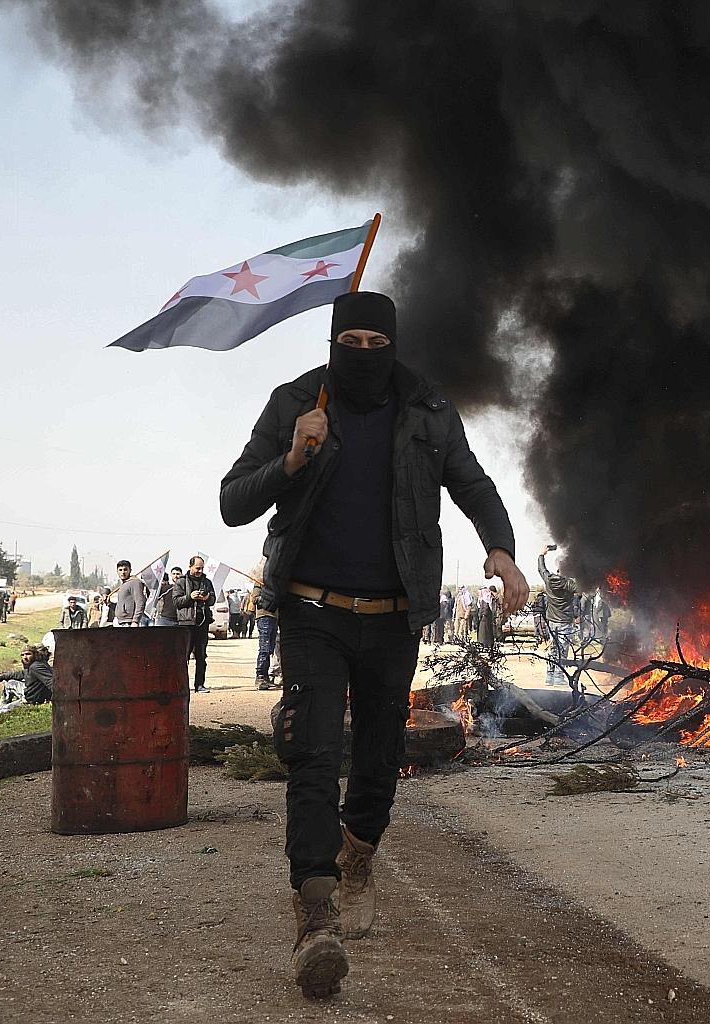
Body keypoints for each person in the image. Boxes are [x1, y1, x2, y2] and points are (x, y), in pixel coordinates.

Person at [219, 290, 528, 999]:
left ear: (392, 344)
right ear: (332, 343)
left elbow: (474, 486)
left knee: (382, 754)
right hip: (310, 611)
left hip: (393, 616)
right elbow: (234, 500)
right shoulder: (295, 401)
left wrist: (503, 552)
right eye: (349, 341)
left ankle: (358, 851)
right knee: (312, 752)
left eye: (374, 342)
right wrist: (293, 458)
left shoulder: (427, 408)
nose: (363, 354)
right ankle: (315, 919)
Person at [173, 555, 215, 692]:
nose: (200, 571)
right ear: (190, 567)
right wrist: (189, 597)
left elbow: (213, 600)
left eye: (202, 568)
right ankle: (181, 685)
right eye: (197, 568)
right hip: (186, 623)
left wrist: (207, 597)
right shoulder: (181, 582)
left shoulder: (207, 582)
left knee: (201, 655)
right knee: (183, 656)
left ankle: (199, 684)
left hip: (202, 622)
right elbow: (176, 602)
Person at [538, 547, 579, 687]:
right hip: (565, 623)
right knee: (562, 650)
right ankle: (558, 677)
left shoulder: (549, 581)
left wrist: (541, 554)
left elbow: (541, 569)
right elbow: (583, 587)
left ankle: (549, 677)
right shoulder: (569, 584)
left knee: (553, 650)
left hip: (552, 622)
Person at [254, 585, 278, 690]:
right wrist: (267, 596)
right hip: (264, 617)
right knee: (265, 648)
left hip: (274, 618)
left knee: (270, 649)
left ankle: (266, 677)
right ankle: (260, 676)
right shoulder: (259, 584)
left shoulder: (276, 584)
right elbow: (254, 599)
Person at [112, 559, 148, 627]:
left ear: (130, 570)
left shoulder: (135, 582)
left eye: (125, 569)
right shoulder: (123, 585)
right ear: (117, 571)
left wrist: (135, 621)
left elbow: (140, 602)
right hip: (120, 621)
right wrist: (108, 603)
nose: (123, 572)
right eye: (120, 570)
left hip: (129, 622)